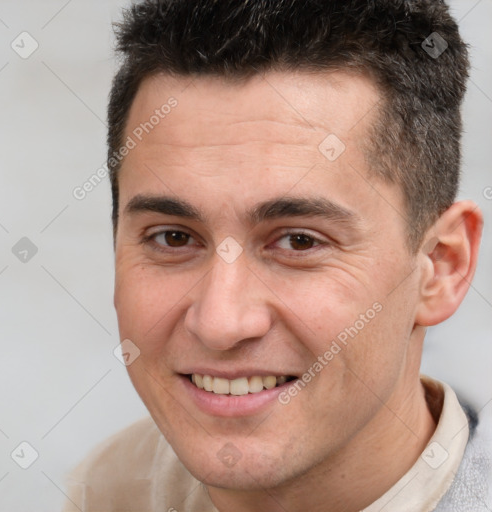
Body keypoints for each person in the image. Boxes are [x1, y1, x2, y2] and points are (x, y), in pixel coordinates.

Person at [63, 1, 490, 510]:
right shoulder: (108, 491)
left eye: (299, 242)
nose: (220, 323)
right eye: (173, 238)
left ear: (441, 267)